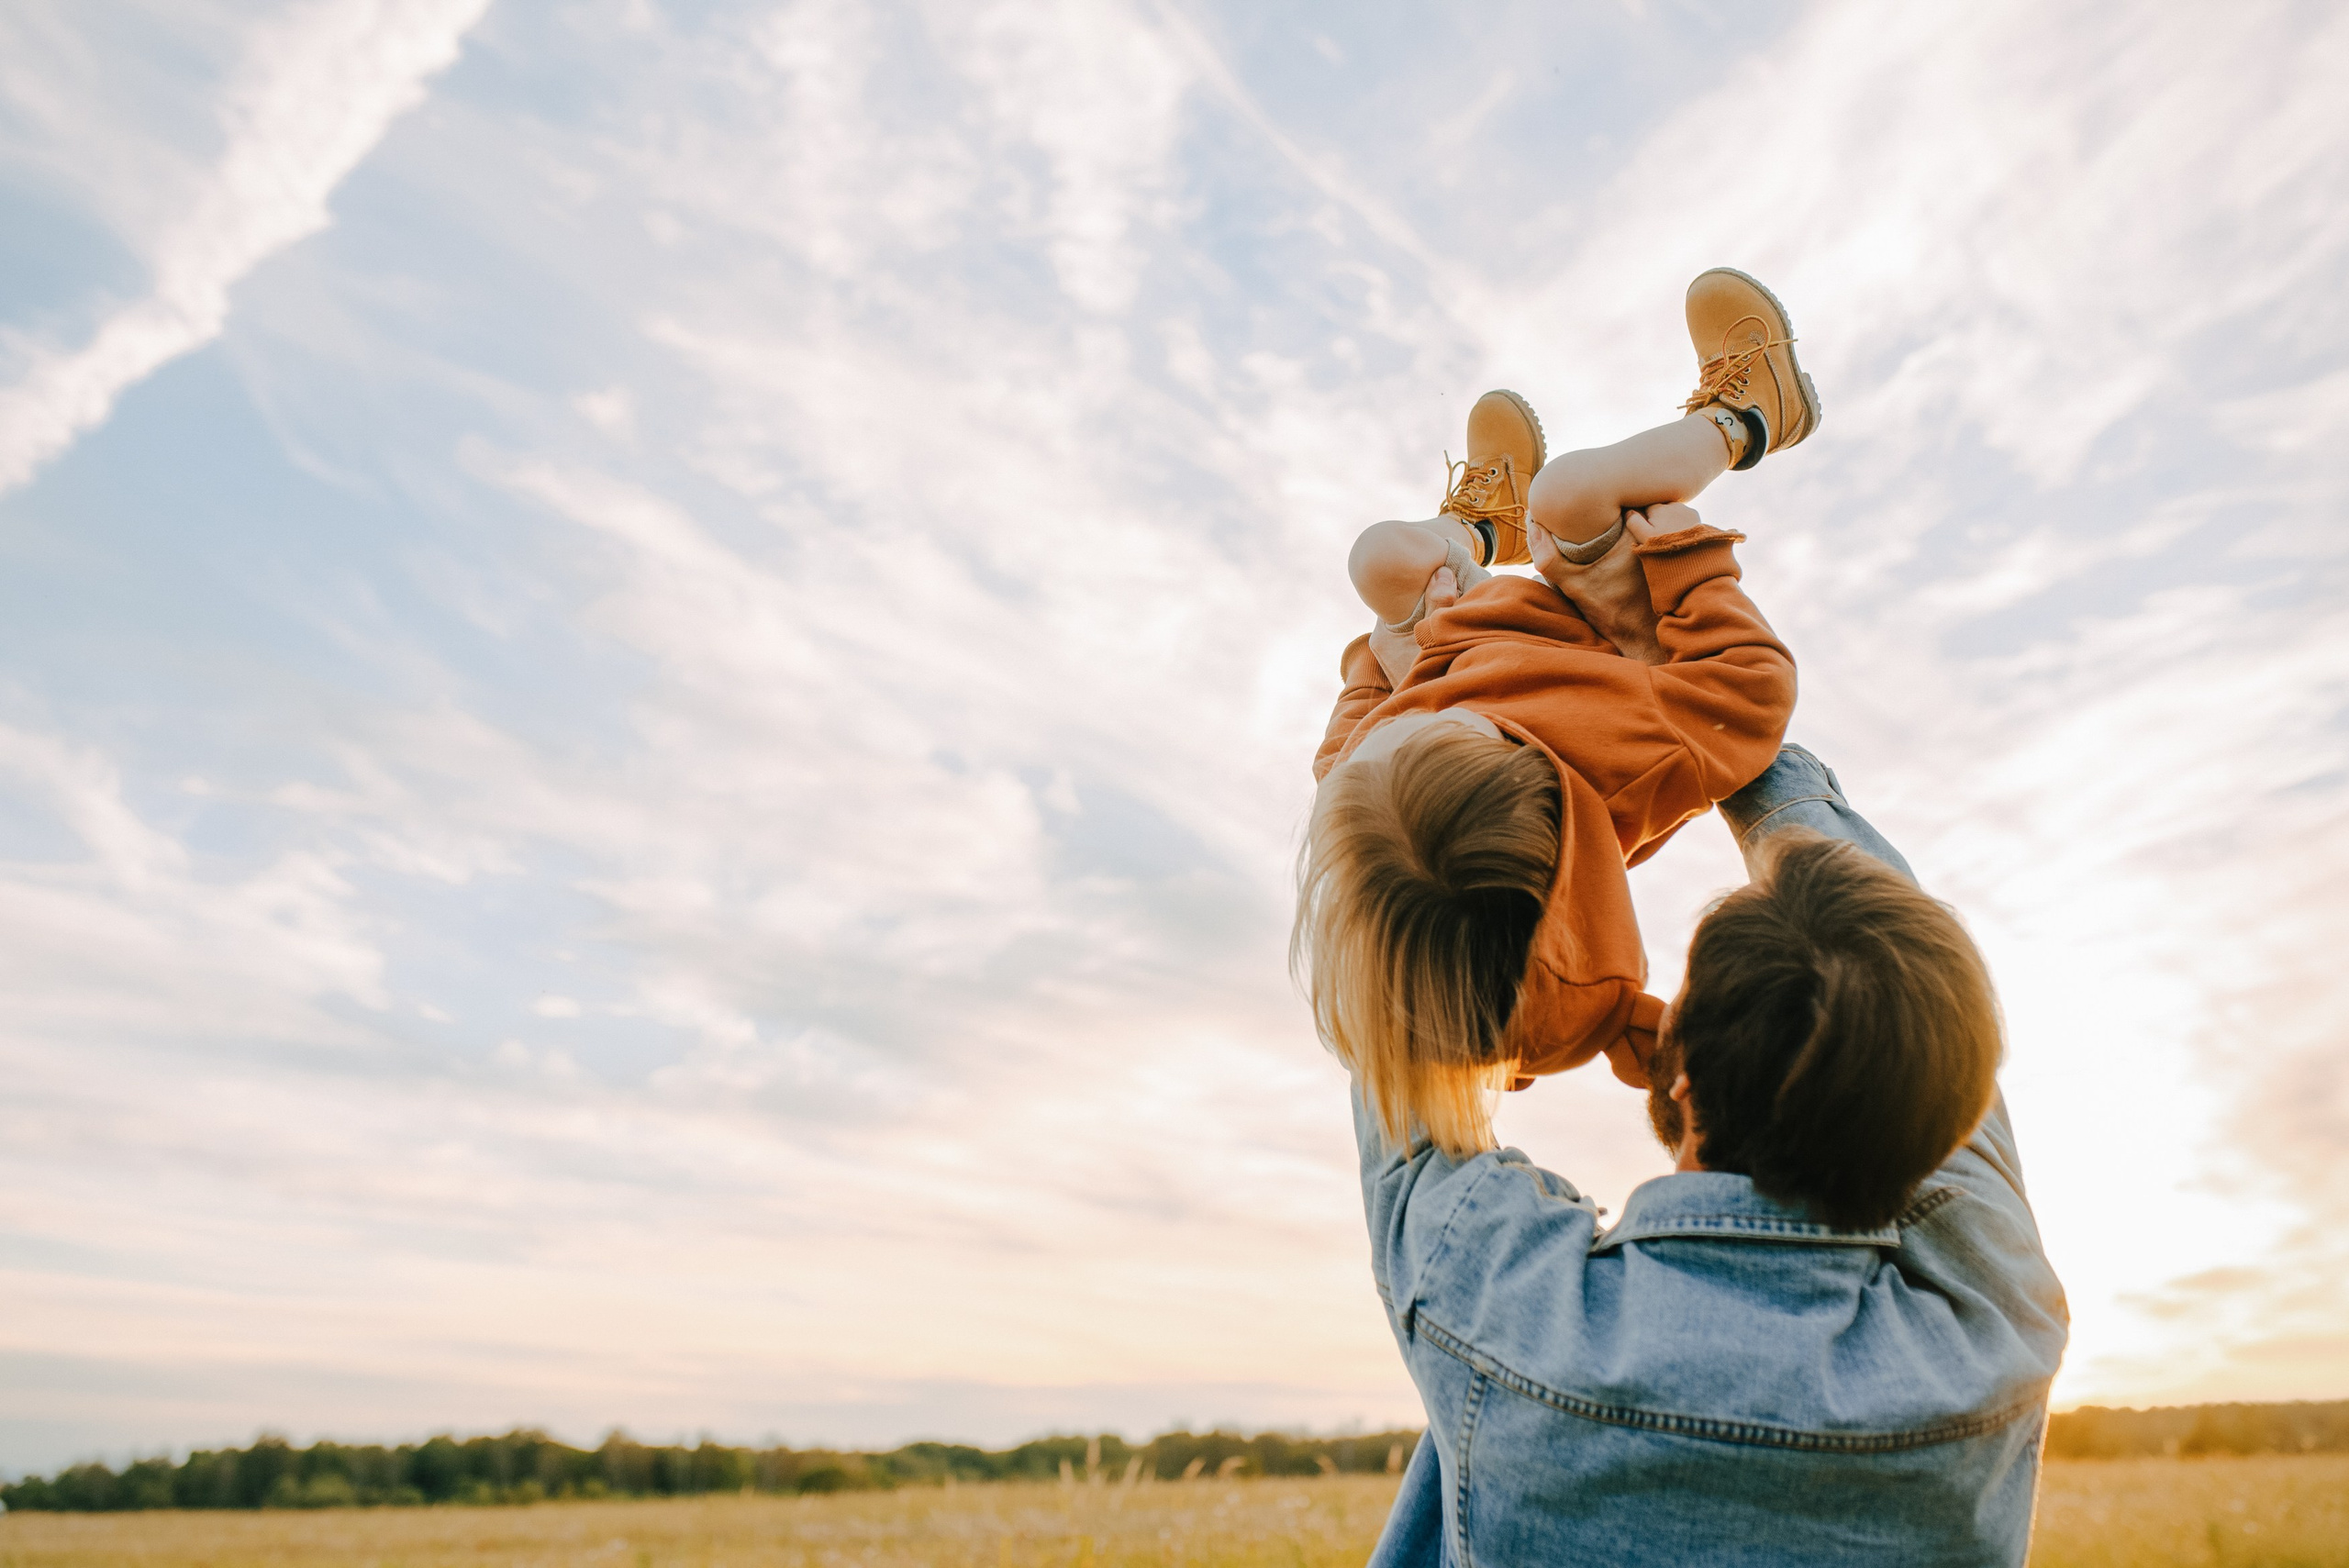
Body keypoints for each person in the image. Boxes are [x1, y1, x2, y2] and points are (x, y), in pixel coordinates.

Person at [1293, 274, 2068, 1562]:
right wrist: (1683, 709)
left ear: (1683, 1075)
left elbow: (1395, 994)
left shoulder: (1517, 1310)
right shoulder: (1987, 1331)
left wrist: (1694, 717)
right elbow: (1384, 948)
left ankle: (1469, 565)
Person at [1302, 268, 1817, 1150]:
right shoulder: (1636, 754)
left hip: (1464, 625)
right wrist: (1681, 562)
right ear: (1538, 780)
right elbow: (1750, 686)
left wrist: (1387, 670)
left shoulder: (1368, 786)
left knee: (1376, 558)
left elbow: (1343, 751)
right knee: (1573, 492)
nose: (1424, 718)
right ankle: (1750, 417)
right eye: (1452, 727)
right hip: (1611, 639)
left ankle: (1484, 529)